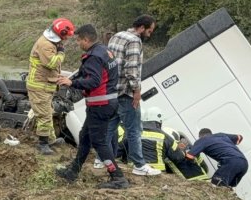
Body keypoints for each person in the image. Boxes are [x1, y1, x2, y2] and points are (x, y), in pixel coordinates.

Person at [55, 25, 128, 189]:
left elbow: (94, 81)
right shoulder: (104, 51)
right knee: (85, 136)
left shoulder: (93, 57)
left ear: (86, 39)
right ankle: (73, 171)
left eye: (79, 40)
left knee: (99, 142)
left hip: (100, 105)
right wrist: (71, 78)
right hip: (107, 102)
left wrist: (72, 83)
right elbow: (95, 75)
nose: (78, 43)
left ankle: (117, 177)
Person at [107, 15, 160, 177]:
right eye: (149, 31)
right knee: (135, 130)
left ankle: (102, 158)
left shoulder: (117, 36)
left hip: (112, 90)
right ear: (142, 28)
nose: (149, 35)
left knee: (110, 127)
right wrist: (137, 92)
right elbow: (131, 70)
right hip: (126, 92)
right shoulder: (134, 41)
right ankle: (139, 164)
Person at [26, 17, 74, 155]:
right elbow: (52, 63)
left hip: (44, 85)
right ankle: (43, 144)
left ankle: (51, 140)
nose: (67, 39)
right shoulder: (46, 45)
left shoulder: (50, 42)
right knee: (44, 116)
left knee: (48, 113)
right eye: (66, 36)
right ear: (61, 33)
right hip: (39, 86)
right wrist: (61, 53)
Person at [184, 129, 249, 188]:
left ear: (200, 136)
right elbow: (239, 137)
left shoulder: (202, 140)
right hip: (244, 163)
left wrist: (190, 164)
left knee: (216, 185)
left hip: (231, 162)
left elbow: (189, 156)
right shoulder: (221, 135)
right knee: (227, 188)